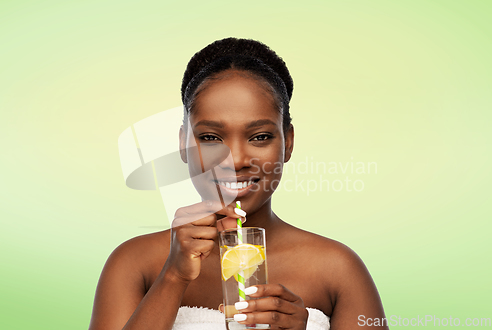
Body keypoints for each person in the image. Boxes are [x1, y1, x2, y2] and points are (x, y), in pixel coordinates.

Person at [89, 37, 388, 330]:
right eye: (210, 138)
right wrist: (173, 278)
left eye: (259, 137)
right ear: (183, 144)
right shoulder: (134, 264)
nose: (235, 159)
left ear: (288, 143)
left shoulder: (337, 269)